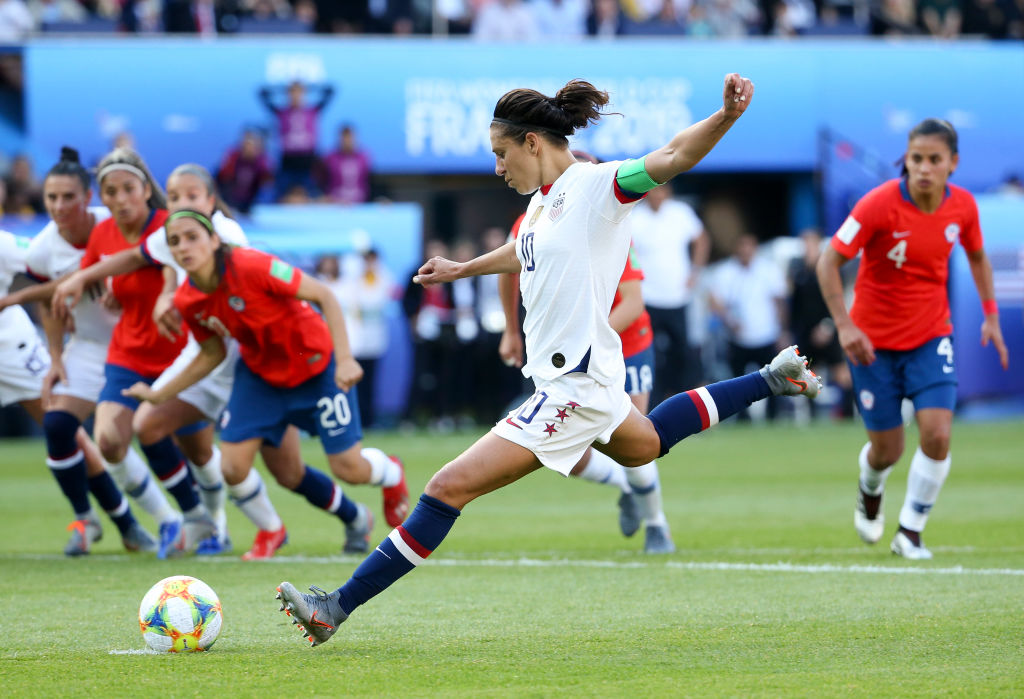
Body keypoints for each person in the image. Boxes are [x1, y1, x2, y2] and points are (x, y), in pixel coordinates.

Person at [275, 74, 821, 647]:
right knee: (648, 443)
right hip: (584, 380)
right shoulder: (540, 205)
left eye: (501, 153)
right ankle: (769, 379)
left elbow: (673, 155)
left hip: (573, 389)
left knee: (445, 488)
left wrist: (727, 116)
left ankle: (334, 607)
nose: (497, 167)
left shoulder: (597, 188)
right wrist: (463, 270)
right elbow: (522, 251)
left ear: (533, 142)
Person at [124, 210, 410, 558]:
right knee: (238, 468)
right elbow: (210, 354)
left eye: (192, 237)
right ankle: (272, 529)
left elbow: (324, 295)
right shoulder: (188, 300)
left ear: (215, 240)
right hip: (261, 378)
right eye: (174, 241)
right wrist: (158, 394)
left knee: (348, 469)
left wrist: (346, 358)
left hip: (317, 369)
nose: (183, 246)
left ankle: (391, 473)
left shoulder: (252, 265)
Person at [816, 118, 1009, 560]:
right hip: (872, 344)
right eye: (916, 158)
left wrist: (991, 315)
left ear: (952, 164)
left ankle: (911, 532)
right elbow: (828, 262)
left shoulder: (963, 208)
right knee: (888, 450)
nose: (923, 168)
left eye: (934, 160)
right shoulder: (877, 205)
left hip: (930, 337)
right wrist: (846, 326)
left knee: (938, 435)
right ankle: (870, 486)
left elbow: (978, 256)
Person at [51, 147, 212, 559]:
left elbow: (165, 269)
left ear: (145, 189)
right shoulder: (103, 234)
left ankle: (216, 525)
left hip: (179, 355)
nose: (120, 198)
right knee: (108, 440)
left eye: (128, 189)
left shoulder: (168, 224)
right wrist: (80, 294)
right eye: (111, 191)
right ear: (101, 196)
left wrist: (164, 295)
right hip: (127, 353)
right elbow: (96, 274)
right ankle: (176, 520)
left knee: (200, 452)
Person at [0, 147, 159, 556]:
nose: (58, 206)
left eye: (67, 196)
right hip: (87, 348)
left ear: (90, 196)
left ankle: (156, 521)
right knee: (62, 426)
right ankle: (96, 521)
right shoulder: (44, 247)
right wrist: (56, 346)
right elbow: (51, 295)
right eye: (51, 198)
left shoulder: (113, 226)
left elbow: (150, 255)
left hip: (129, 345)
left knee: (137, 434)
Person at [501, 204, 676, 554]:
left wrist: (588, 343)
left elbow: (633, 302)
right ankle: (626, 488)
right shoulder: (529, 222)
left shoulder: (607, 223)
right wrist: (510, 329)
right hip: (570, 352)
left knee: (636, 445)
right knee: (567, 451)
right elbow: (506, 272)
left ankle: (657, 525)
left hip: (626, 345)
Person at [628, 183, 710, 404]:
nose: (656, 196)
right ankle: (651, 402)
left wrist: (695, 271)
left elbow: (701, 239)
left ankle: (685, 401)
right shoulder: (635, 216)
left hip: (677, 296)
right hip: (647, 298)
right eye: (653, 192)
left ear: (667, 193)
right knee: (649, 351)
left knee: (683, 351)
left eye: (661, 191)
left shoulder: (680, 213)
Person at [707, 233, 789, 421]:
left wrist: (783, 330)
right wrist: (728, 320)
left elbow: (780, 301)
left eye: (749, 246)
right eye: (742, 246)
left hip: (767, 334)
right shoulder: (726, 272)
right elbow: (715, 301)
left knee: (773, 379)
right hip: (738, 337)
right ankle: (743, 418)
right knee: (738, 381)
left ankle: (773, 417)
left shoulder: (768, 270)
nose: (745, 251)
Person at [259, 80, 334, 200]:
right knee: (280, 195)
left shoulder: (312, 111)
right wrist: (282, 88)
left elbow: (331, 91)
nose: (295, 96)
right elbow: (262, 93)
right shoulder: (281, 112)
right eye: (292, 93)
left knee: (313, 195)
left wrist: (309, 87)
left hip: (308, 160)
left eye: (299, 93)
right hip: (288, 161)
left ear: (304, 94)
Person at [320, 124, 371, 204]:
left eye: (350, 137)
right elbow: (322, 180)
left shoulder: (363, 158)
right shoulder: (330, 158)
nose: (347, 141)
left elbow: (369, 181)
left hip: (359, 204)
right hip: (335, 204)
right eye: (345, 137)